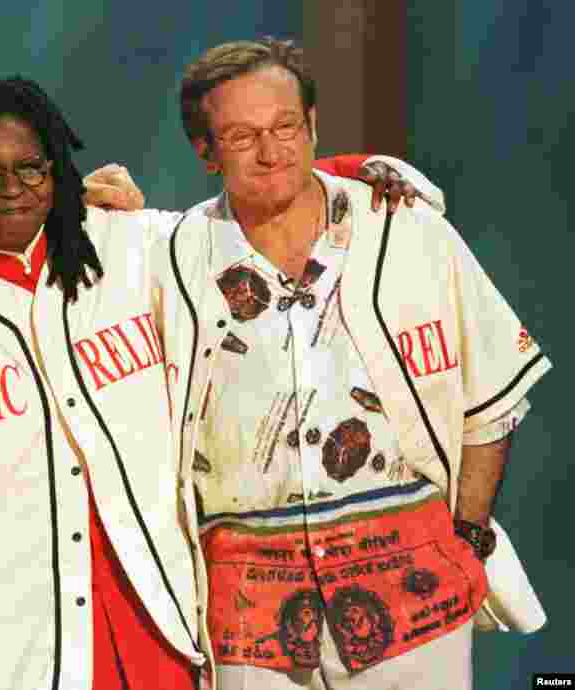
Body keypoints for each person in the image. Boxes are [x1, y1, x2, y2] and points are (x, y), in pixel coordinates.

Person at [0, 76, 439, 690]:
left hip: (154, 617)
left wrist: (359, 171)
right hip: (8, 644)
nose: (13, 190)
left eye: (32, 168)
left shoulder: (128, 244)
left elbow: (246, 214)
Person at [153, 37, 550, 689]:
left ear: (312, 125)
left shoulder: (407, 230)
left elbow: (492, 402)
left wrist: (468, 538)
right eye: (242, 135)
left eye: (286, 127)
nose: (272, 151)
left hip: (415, 609)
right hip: (247, 622)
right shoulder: (169, 259)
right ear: (204, 151)